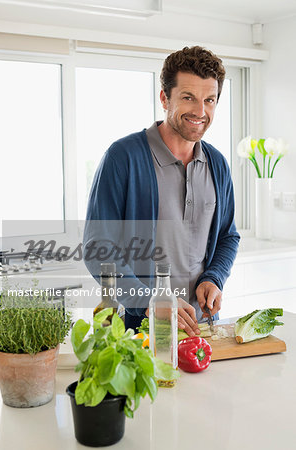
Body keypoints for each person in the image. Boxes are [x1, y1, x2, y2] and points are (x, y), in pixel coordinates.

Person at [83, 46, 240, 336]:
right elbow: (97, 248)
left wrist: (214, 278)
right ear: (164, 98)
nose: (200, 111)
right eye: (188, 98)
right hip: (138, 328)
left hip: (201, 328)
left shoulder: (217, 164)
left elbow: (228, 236)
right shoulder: (123, 157)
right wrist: (150, 300)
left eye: (210, 100)